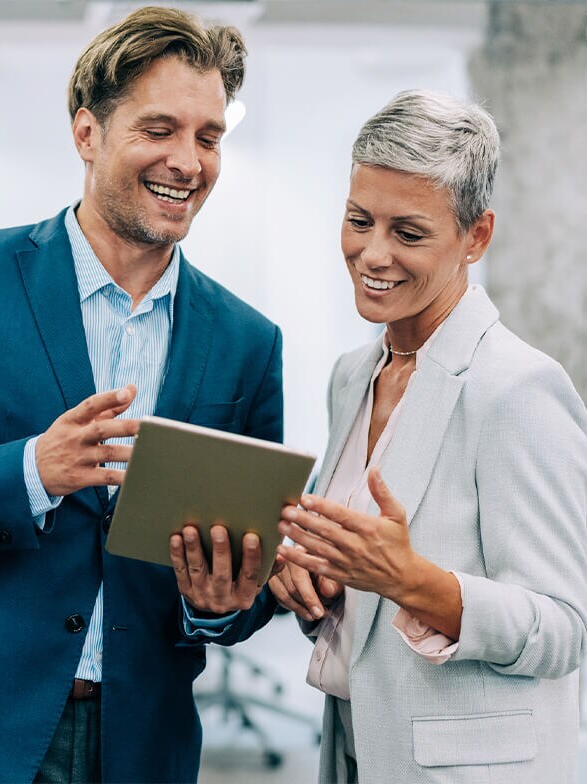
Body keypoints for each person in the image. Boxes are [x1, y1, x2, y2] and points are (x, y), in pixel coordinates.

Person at [0, 6, 286, 783]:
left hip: (139, 746)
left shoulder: (246, 341)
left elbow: (250, 582)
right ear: (87, 134)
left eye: (209, 137)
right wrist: (28, 472)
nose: (188, 161)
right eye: (159, 128)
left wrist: (223, 602)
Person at [268, 89, 587, 782]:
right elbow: (360, 581)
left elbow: (565, 628)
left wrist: (414, 583)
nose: (371, 253)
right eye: (358, 220)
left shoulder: (517, 390)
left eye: (408, 233)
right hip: (360, 749)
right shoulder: (353, 376)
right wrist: (308, 579)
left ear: (476, 236)